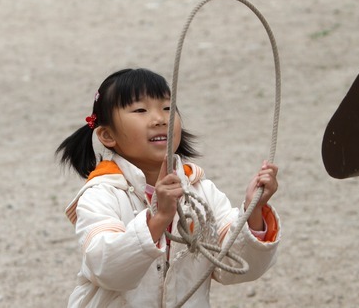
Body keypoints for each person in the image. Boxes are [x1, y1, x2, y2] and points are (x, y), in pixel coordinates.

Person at [56, 68, 281, 308]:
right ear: (107, 135)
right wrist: (158, 218)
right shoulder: (101, 194)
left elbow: (234, 267)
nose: (160, 119)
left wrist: (253, 211)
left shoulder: (200, 191)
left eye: (167, 108)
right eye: (141, 110)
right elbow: (107, 269)